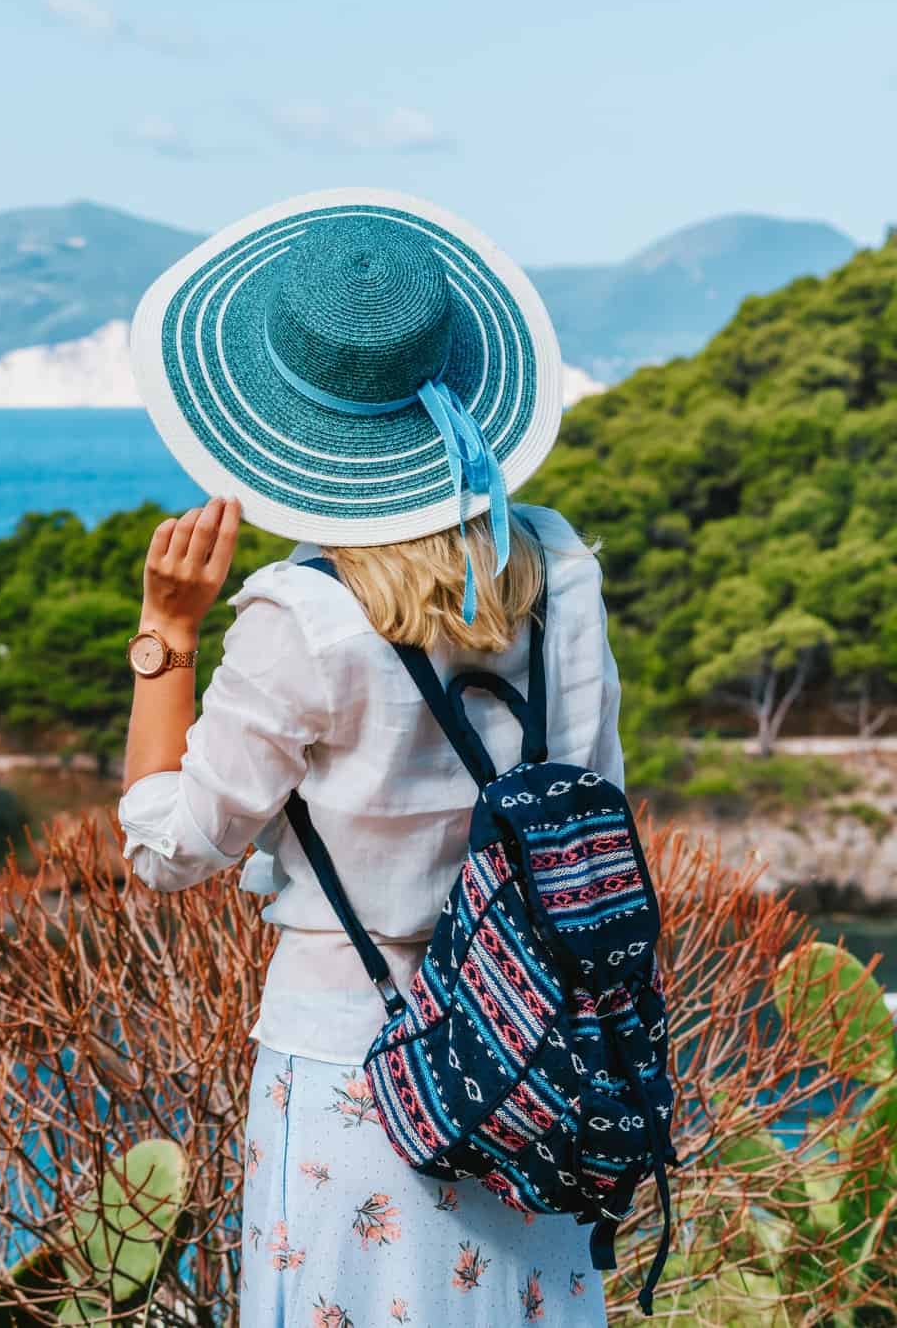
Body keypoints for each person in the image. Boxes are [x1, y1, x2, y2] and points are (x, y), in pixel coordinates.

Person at [119, 191, 619, 1325]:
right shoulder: (558, 565)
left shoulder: (301, 617)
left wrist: (166, 641)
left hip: (356, 1060)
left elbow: (169, 849)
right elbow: (593, 804)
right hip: (538, 1048)